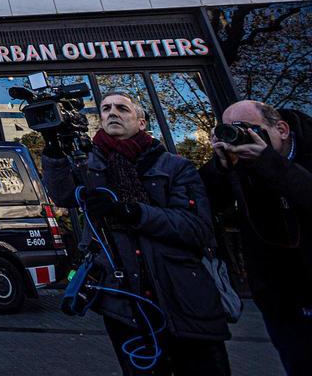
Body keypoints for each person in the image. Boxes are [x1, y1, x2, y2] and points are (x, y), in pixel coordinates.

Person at [42, 92, 230, 376]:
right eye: (105, 109)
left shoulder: (175, 166)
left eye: (122, 108)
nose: (112, 112)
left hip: (184, 297)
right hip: (124, 304)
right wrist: (54, 151)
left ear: (141, 122)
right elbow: (62, 194)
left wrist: (132, 212)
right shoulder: (91, 168)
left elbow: (198, 228)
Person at [199, 100, 312, 375]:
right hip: (280, 299)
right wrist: (220, 169)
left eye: (247, 129)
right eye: (229, 130)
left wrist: (267, 162)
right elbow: (202, 206)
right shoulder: (237, 165)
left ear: (282, 129)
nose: (240, 137)